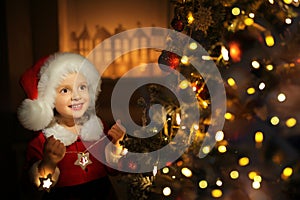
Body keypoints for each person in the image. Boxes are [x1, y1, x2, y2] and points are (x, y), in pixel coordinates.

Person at [17, 52, 125, 199]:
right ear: (49, 99)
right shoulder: (44, 141)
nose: (76, 96)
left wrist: (116, 145)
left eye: (82, 87)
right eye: (65, 90)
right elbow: (34, 187)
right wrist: (49, 162)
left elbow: (113, 170)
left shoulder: (98, 129)